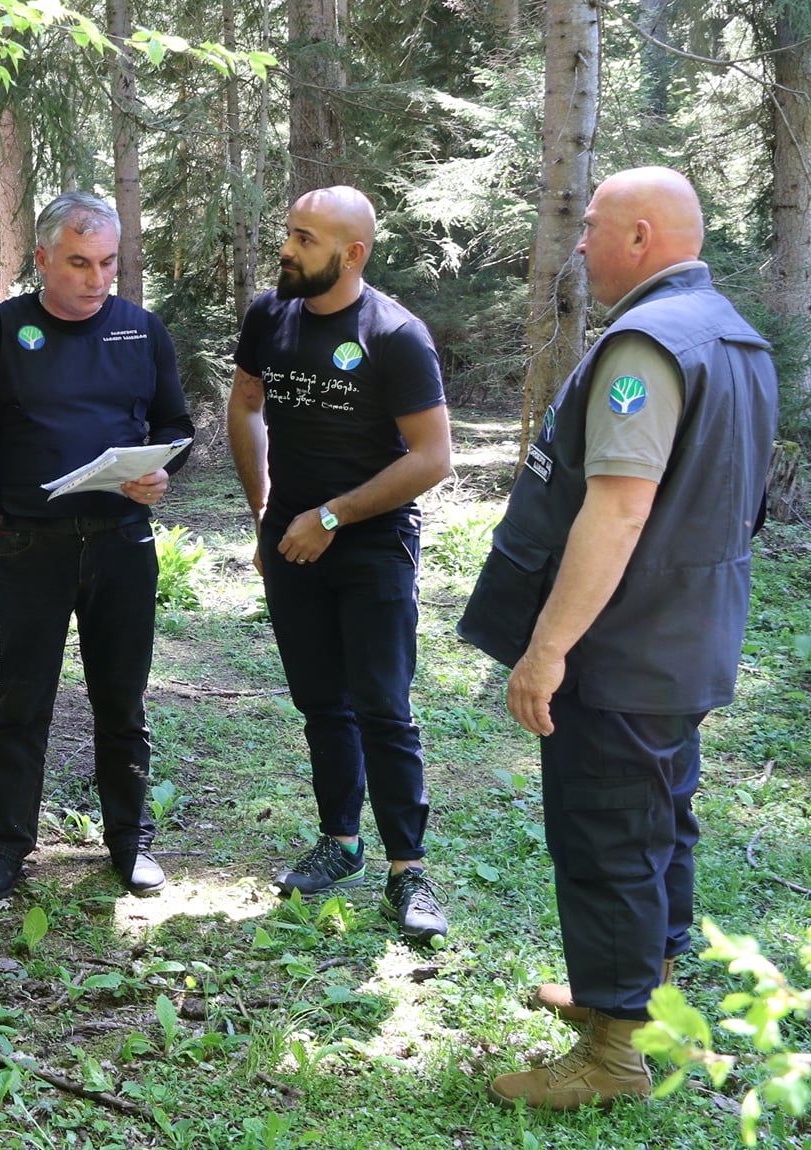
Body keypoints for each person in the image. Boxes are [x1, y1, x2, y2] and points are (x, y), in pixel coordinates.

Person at [461, 167, 777, 1109]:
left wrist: (548, 646)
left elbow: (621, 508)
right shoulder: (735, 335)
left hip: (625, 646)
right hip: (688, 638)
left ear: (640, 237)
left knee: (609, 836)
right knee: (657, 824)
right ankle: (640, 998)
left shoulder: (647, 344)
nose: (580, 246)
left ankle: (613, 1055)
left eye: (592, 227)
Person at [0, 191, 194, 900]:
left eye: (108, 262)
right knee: (22, 702)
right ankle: (9, 847)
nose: (96, 278)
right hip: (28, 546)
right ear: (44, 258)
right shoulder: (0, 332)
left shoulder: (142, 331)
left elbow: (177, 428)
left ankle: (130, 842)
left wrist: (159, 475)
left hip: (120, 543)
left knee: (123, 701)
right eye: (79, 262)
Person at [227, 186, 454, 944]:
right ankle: (340, 844)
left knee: (383, 706)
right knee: (322, 701)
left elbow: (433, 457)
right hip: (292, 540)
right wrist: (264, 510)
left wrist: (333, 516)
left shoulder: (395, 334)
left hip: (371, 546)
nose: (287, 249)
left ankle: (408, 873)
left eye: (306, 239)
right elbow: (246, 403)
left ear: (352, 254)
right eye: (289, 232)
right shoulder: (269, 316)